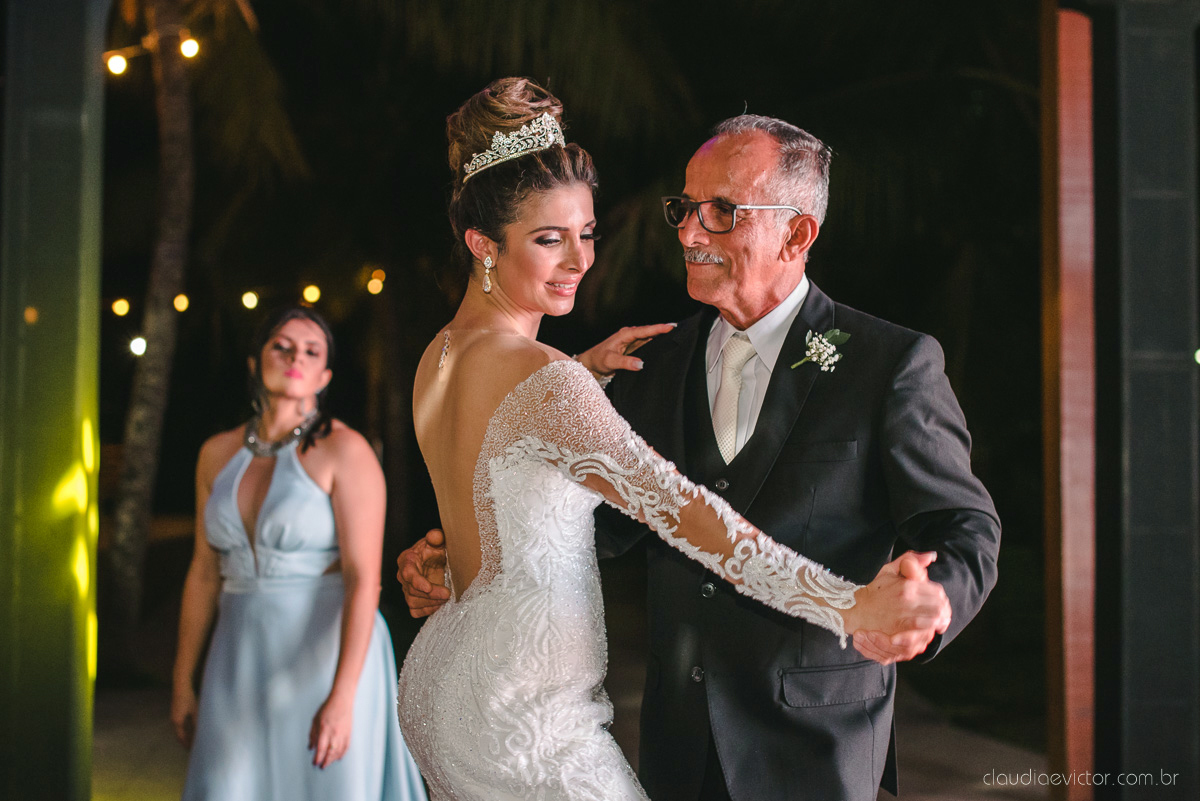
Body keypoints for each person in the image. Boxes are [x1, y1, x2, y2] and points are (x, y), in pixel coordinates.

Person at [400, 110, 1002, 800]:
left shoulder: (888, 364)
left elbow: (965, 528)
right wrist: (461, 557)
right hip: (677, 749)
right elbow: (587, 523)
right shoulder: (650, 365)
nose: (688, 232)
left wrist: (926, 608)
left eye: (722, 211)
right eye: (685, 208)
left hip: (812, 751)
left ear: (798, 232)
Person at [172, 306, 427, 801]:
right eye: (281, 345)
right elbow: (204, 574)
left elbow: (363, 580)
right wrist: (184, 680)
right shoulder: (215, 453)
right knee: (225, 786)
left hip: (325, 653)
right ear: (255, 362)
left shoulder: (345, 450)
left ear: (325, 375)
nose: (295, 357)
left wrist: (343, 696)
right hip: (237, 655)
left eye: (311, 351)